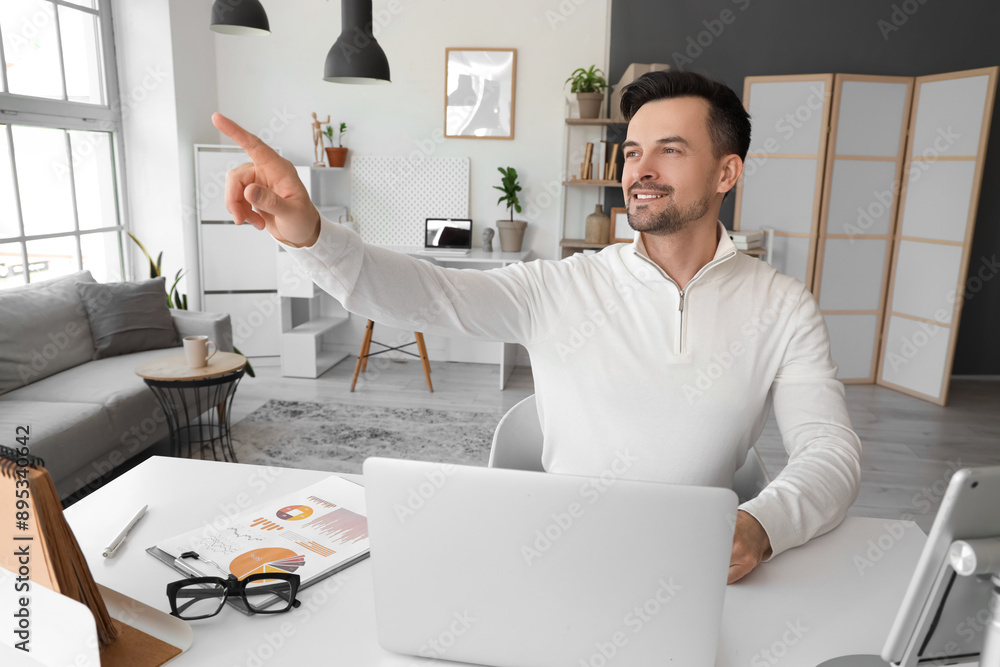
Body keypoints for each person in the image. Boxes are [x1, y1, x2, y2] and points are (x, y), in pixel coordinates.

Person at [211, 70, 861, 584]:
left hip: (692, 567)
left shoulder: (783, 307)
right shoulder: (561, 284)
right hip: (558, 552)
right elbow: (424, 294)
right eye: (632, 151)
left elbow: (831, 451)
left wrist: (762, 524)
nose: (639, 170)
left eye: (670, 150)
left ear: (727, 171)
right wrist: (309, 232)